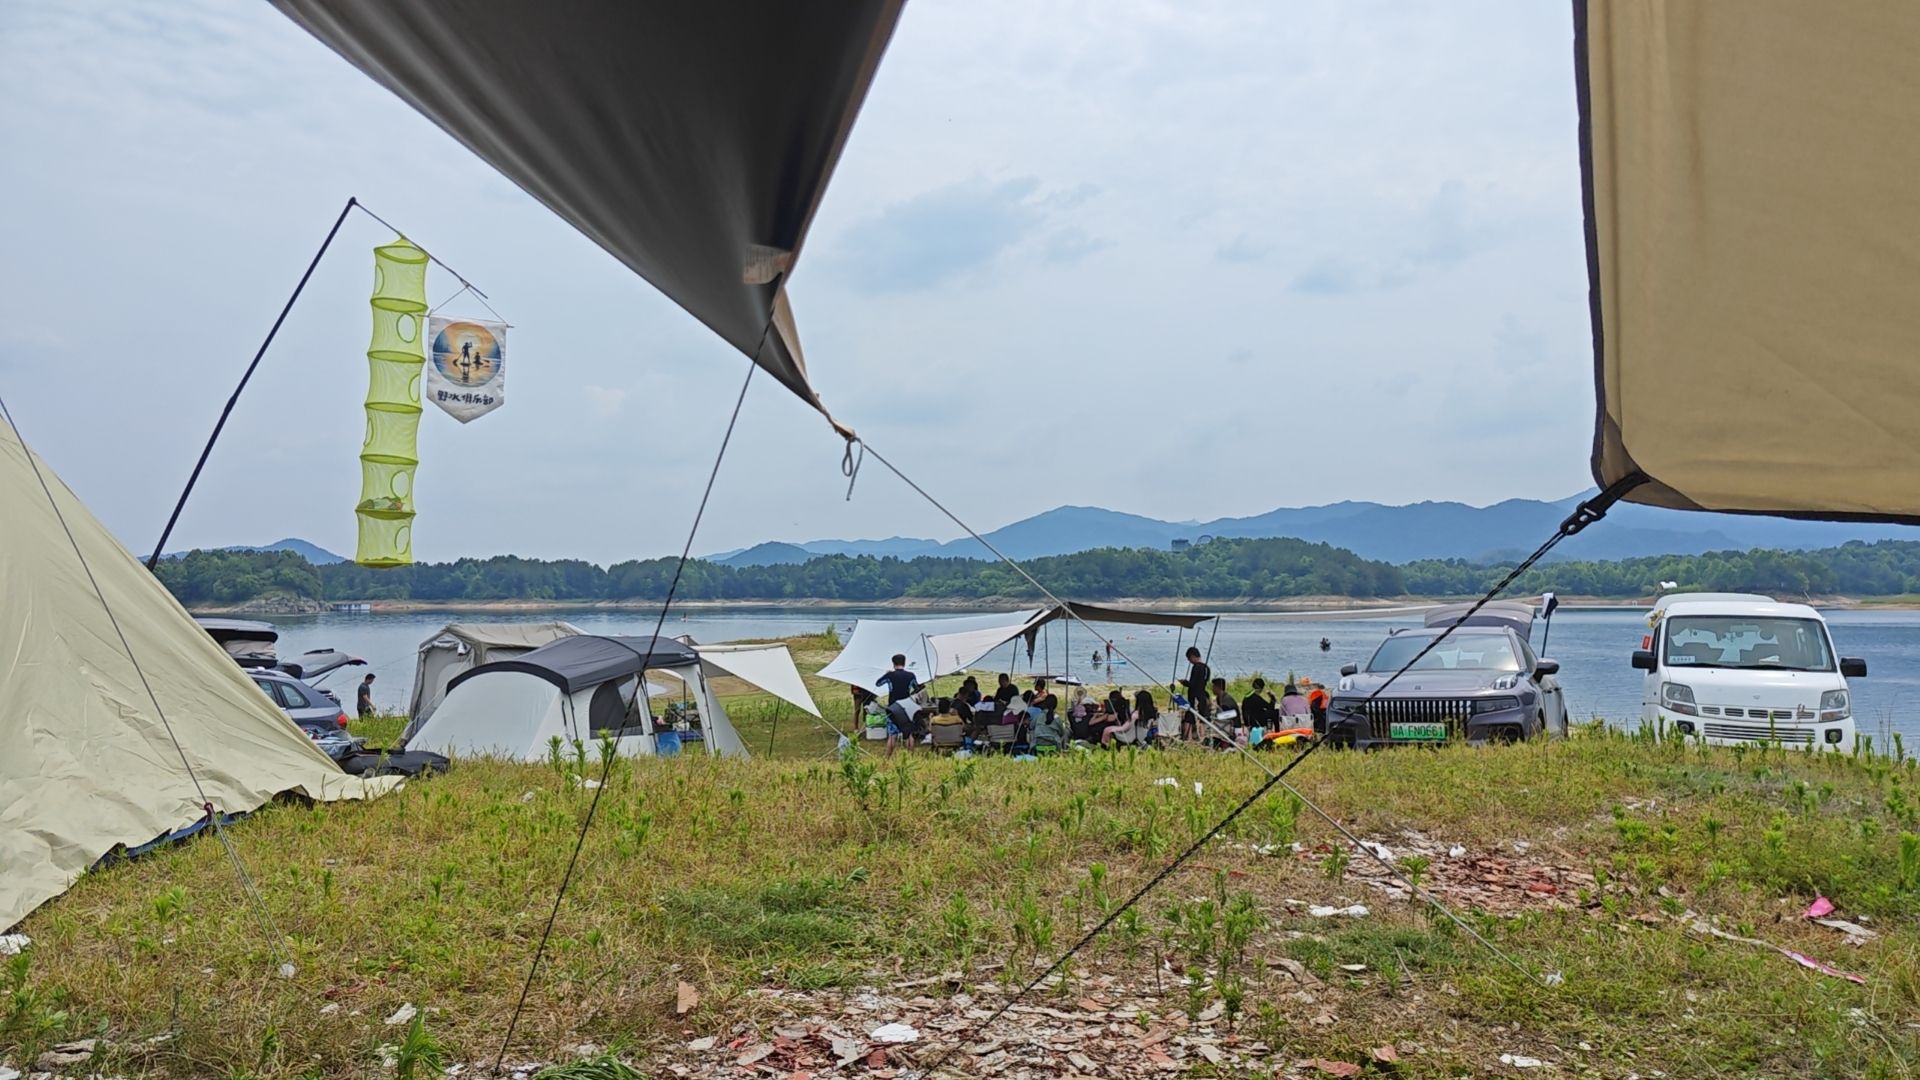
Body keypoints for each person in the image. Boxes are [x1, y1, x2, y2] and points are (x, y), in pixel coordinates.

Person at [876, 654, 922, 755]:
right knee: (909, 733)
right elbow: (917, 688)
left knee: (892, 735)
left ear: (893, 664)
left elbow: (878, 683)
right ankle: (911, 757)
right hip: (906, 707)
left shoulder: (890, 675)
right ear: (904, 663)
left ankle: (887, 758)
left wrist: (886, 674)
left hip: (893, 707)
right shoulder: (911, 675)